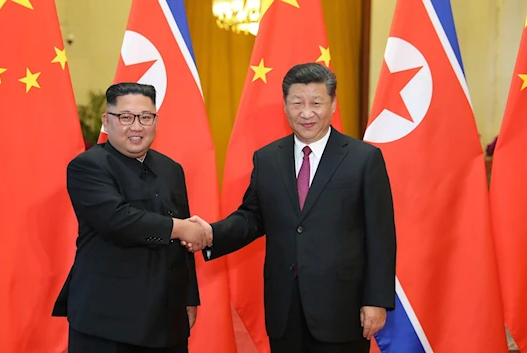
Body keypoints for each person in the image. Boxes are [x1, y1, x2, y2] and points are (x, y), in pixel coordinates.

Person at [188, 63, 396, 353]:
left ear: (333, 104)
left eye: (316, 103)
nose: (306, 112)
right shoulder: (268, 158)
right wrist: (211, 233)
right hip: (284, 307)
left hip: (342, 307)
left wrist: (376, 300)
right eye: (297, 103)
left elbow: (381, 236)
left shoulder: (364, 159)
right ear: (285, 106)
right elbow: (252, 217)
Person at [52, 82, 209, 353]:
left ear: (156, 120)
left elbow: (182, 248)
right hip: (108, 321)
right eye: (125, 117)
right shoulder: (88, 166)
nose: (136, 126)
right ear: (107, 120)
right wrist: (179, 228)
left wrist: (188, 298)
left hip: (166, 319)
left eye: (145, 117)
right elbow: (118, 221)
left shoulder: (171, 169)